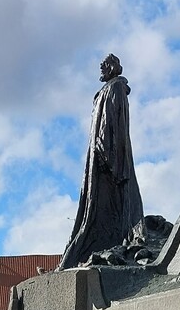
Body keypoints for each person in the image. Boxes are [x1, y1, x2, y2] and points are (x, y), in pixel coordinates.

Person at [58, 53, 145, 269]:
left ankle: (116, 241)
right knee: (92, 208)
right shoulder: (105, 91)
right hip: (98, 156)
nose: (101, 69)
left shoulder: (116, 88)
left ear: (112, 67)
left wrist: (109, 153)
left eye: (104, 66)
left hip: (109, 158)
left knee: (112, 205)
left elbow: (116, 125)